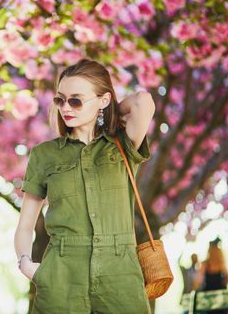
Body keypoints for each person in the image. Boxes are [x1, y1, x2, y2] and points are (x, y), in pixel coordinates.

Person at [14, 58, 155, 313]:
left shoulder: (122, 145)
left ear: (103, 100)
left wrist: (109, 112)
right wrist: (29, 266)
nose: (65, 107)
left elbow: (143, 101)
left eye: (76, 100)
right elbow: (25, 225)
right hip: (62, 275)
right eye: (60, 99)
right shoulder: (44, 155)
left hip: (121, 275)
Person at [193, 238, 228, 314]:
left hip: (209, 298)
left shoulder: (205, 264)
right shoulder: (221, 264)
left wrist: (193, 290)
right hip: (221, 297)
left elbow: (197, 281)